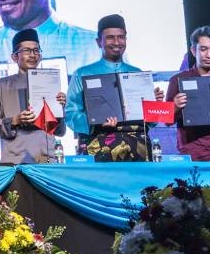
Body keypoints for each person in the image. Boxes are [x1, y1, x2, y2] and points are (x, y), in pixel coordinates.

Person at [64, 14, 164, 162]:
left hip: (137, 151)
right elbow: (70, 114)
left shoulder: (137, 73)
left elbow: (150, 122)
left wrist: (154, 106)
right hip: (97, 148)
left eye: (121, 37)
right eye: (110, 37)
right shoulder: (83, 74)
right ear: (99, 42)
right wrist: (96, 122)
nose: (116, 42)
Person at [0, 28, 67, 163]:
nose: (33, 55)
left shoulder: (49, 82)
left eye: (36, 50)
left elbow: (60, 131)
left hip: (47, 159)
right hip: (15, 160)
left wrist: (60, 109)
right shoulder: (1, 85)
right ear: (14, 57)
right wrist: (14, 121)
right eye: (27, 51)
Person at [166, 25, 210, 161]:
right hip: (194, 152)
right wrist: (175, 106)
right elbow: (166, 121)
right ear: (194, 50)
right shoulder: (177, 80)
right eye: (203, 49)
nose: (209, 55)